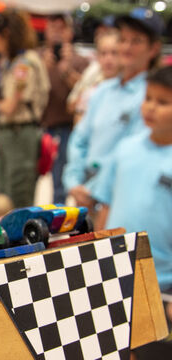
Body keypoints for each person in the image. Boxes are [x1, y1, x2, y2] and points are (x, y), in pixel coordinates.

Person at [91, 67, 172, 359]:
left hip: (161, 286)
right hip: (114, 275)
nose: (150, 107)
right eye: (148, 98)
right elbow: (106, 205)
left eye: (163, 102)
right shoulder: (125, 149)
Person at [64, 8, 163, 209]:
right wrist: (73, 181)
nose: (127, 47)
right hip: (87, 197)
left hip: (121, 198)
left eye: (136, 41)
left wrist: (95, 189)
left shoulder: (153, 97)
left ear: (153, 49)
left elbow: (133, 149)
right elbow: (80, 138)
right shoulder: (102, 91)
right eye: (123, 39)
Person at [0, 9, 50, 207]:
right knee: (2, 196)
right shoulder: (9, 63)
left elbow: (9, 107)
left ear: (7, 35)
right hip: (8, 133)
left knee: (18, 197)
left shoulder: (25, 63)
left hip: (20, 134)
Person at [40, 14, 89, 204]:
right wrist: (43, 68)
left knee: (60, 182)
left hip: (67, 128)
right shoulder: (38, 58)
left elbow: (85, 94)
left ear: (70, 32)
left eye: (62, 28)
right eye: (53, 27)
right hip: (42, 127)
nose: (57, 33)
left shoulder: (80, 60)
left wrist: (66, 70)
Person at [67, 29, 121, 125]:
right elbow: (71, 107)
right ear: (98, 56)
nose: (108, 59)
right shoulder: (91, 76)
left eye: (114, 53)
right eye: (103, 53)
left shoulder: (130, 85)